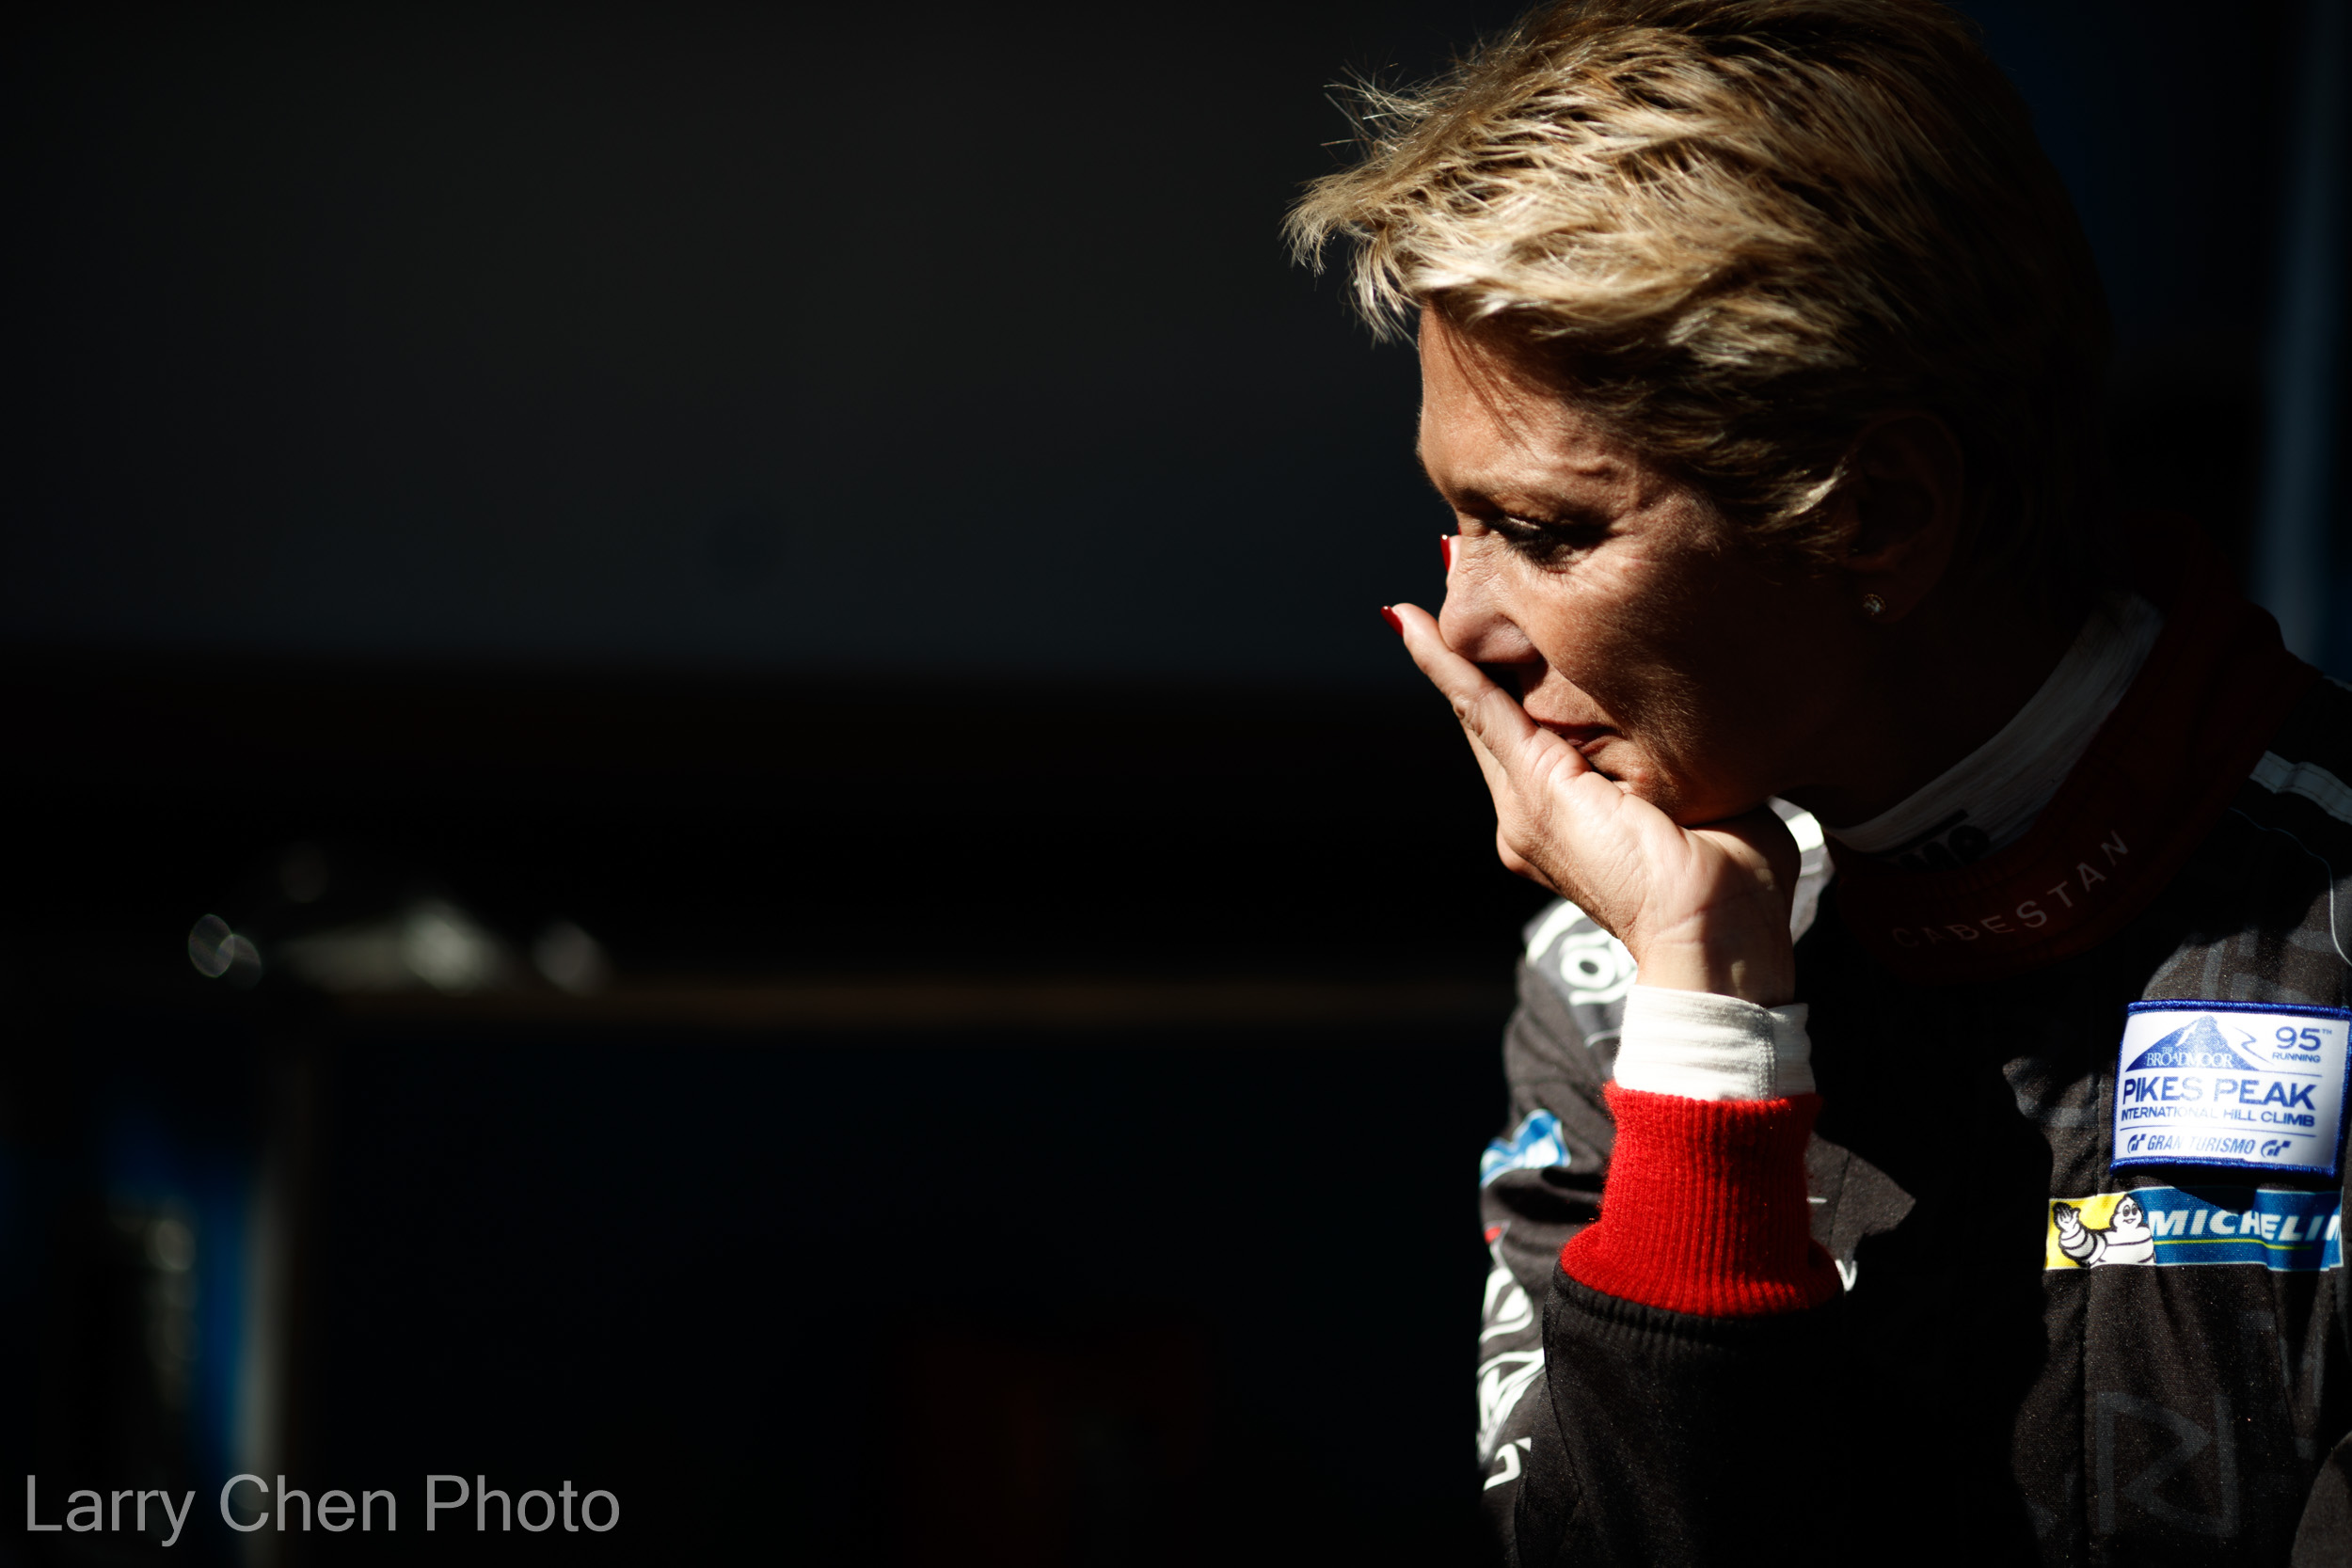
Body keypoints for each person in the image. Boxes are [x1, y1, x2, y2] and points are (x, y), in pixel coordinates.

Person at [1288, 2, 2352, 1562]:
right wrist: (1707, 1027)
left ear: (1881, 517)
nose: (1463, 627)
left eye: (1550, 531)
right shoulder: (1619, 966)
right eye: (1461, 518)